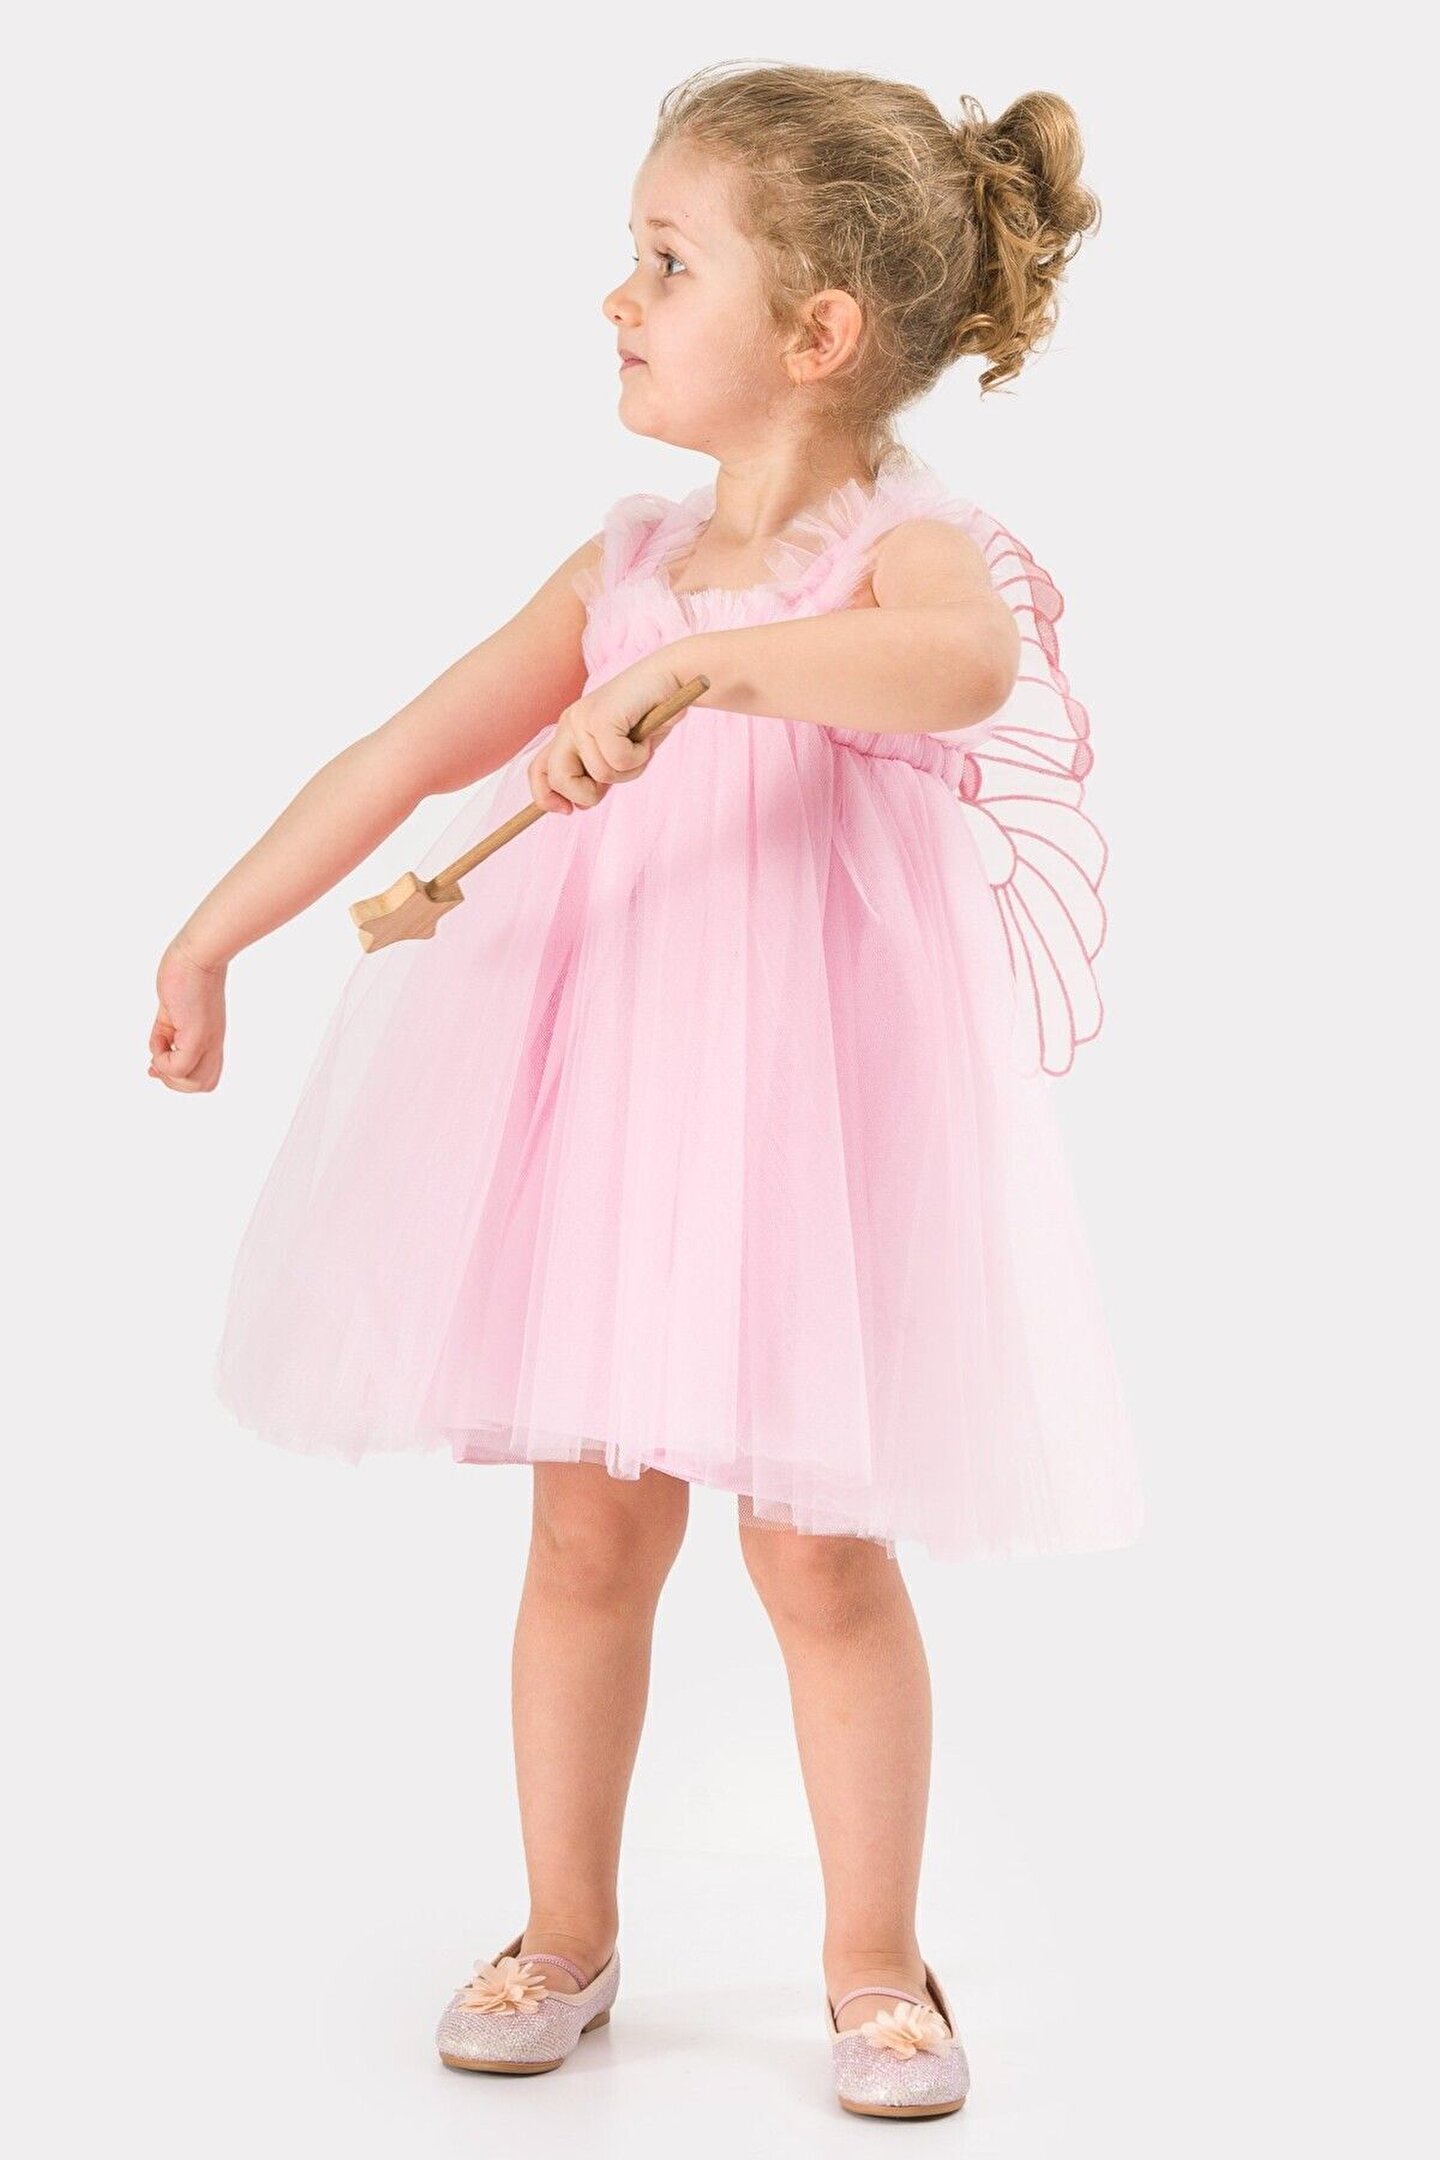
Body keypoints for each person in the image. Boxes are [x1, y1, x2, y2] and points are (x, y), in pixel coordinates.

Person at [149, 61, 1144, 2121]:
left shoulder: (908, 553)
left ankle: (875, 1962)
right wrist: (213, 932)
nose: (618, 296)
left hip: (806, 1146)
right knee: (587, 1538)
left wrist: (711, 671)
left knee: (820, 1559)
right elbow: (408, 751)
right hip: (610, 1121)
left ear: (818, 333)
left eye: (669, 262)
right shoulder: (621, 564)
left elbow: (962, 676)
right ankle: (566, 1930)